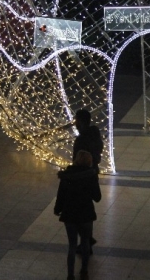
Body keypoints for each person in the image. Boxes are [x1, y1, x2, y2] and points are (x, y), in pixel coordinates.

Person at [54, 149, 101, 280]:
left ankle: (70, 274)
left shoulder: (66, 176)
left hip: (69, 214)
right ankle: (84, 271)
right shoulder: (90, 176)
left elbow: (61, 195)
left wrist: (57, 209)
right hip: (85, 214)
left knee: (72, 245)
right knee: (85, 243)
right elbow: (97, 197)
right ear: (89, 162)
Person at [72, 108, 103, 253]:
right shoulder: (94, 135)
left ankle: (86, 241)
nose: (75, 123)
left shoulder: (82, 140)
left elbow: (76, 159)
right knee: (88, 207)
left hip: (82, 176)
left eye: (77, 120)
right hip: (92, 173)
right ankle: (88, 239)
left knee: (78, 211)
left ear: (82, 122)